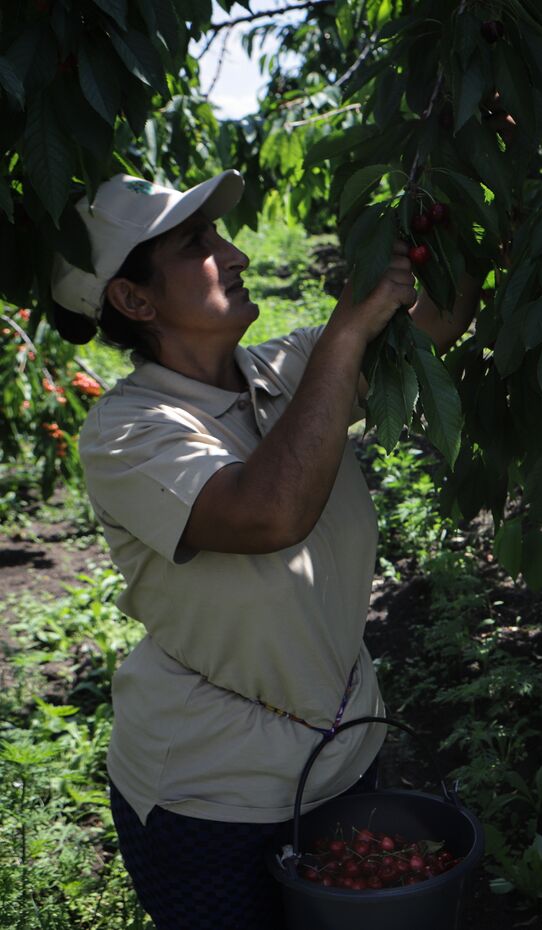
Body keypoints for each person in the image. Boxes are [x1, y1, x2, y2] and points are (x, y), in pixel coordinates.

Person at [48, 170, 476, 928]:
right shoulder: (128, 432)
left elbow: (441, 318)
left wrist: (462, 176)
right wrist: (346, 333)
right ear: (135, 300)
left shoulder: (287, 371)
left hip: (345, 752)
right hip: (211, 799)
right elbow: (268, 513)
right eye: (197, 244)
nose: (236, 253)